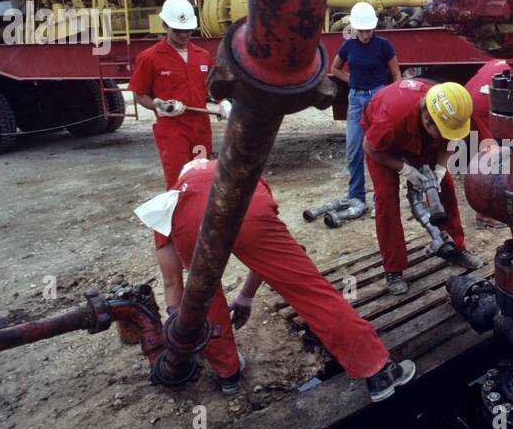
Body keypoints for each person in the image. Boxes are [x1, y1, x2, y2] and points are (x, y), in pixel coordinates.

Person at [134, 158, 415, 400]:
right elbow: (266, 262)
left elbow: (173, 284)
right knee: (308, 290)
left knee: (206, 297)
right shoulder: (246, 171)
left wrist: (179, 326)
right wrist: (246, 296)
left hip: (188, 222)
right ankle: (379, 371)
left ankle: (228, 374)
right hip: (246, 204)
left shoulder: (166, 202)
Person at [361, 79, 481, 295]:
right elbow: (371, 147)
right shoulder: (390, 119)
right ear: (427, 120)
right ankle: (394, 268)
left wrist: (440, 170)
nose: (446, 135)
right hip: (383, 146)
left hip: (418, 136)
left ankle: (456, 247)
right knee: (386, 198)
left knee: (445, 186)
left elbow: (450, 140)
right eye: (442, 131)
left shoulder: (454, 109)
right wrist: (405, 170)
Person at [129, 0, 221, 188]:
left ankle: (199, 217)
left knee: (201, 177)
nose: (183, 35)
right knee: (179, 182)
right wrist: (158, 105)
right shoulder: (149, 58)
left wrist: (223, 103)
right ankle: (180, 216)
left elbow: (213, 88)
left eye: (188, 30)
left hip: (200, 130)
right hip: (172, 130)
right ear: (164, 25)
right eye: (178, 31)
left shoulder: (202, 56)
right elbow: (139, 94)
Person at [331, 1, 400, 209]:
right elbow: (335, 69)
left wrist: (392, 95)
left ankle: (382, 197)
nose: (365, 35)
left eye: (369, 30)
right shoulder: (348, 45)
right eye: (361, 31)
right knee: (354, 149)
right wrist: (350, 81)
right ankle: (356, 196)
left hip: (378, 97)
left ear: (374, 27)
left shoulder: (384, 45)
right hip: (356, 99)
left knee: (380, 148)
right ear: (354, 28)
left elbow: (396, 73)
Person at [464, 58, 509, 229]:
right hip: (484, 105)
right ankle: (485, 215)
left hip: (467, 99)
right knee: (494, 158)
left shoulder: (500, 59)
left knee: (483, 154)